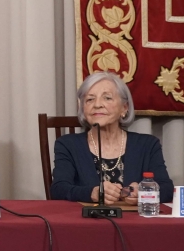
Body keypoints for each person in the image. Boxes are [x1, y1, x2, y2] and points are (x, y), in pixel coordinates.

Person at [51, 71, 174, 204]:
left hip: (134, 222)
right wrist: (92, 193)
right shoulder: (67, 144)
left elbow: (167, 189)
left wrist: (144, 193)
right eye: (90, 99)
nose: (97, 104)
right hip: (88, 221)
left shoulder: (147, 145)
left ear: (124, 108)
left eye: (107, 98)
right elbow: (58, 190)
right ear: (82, 108)